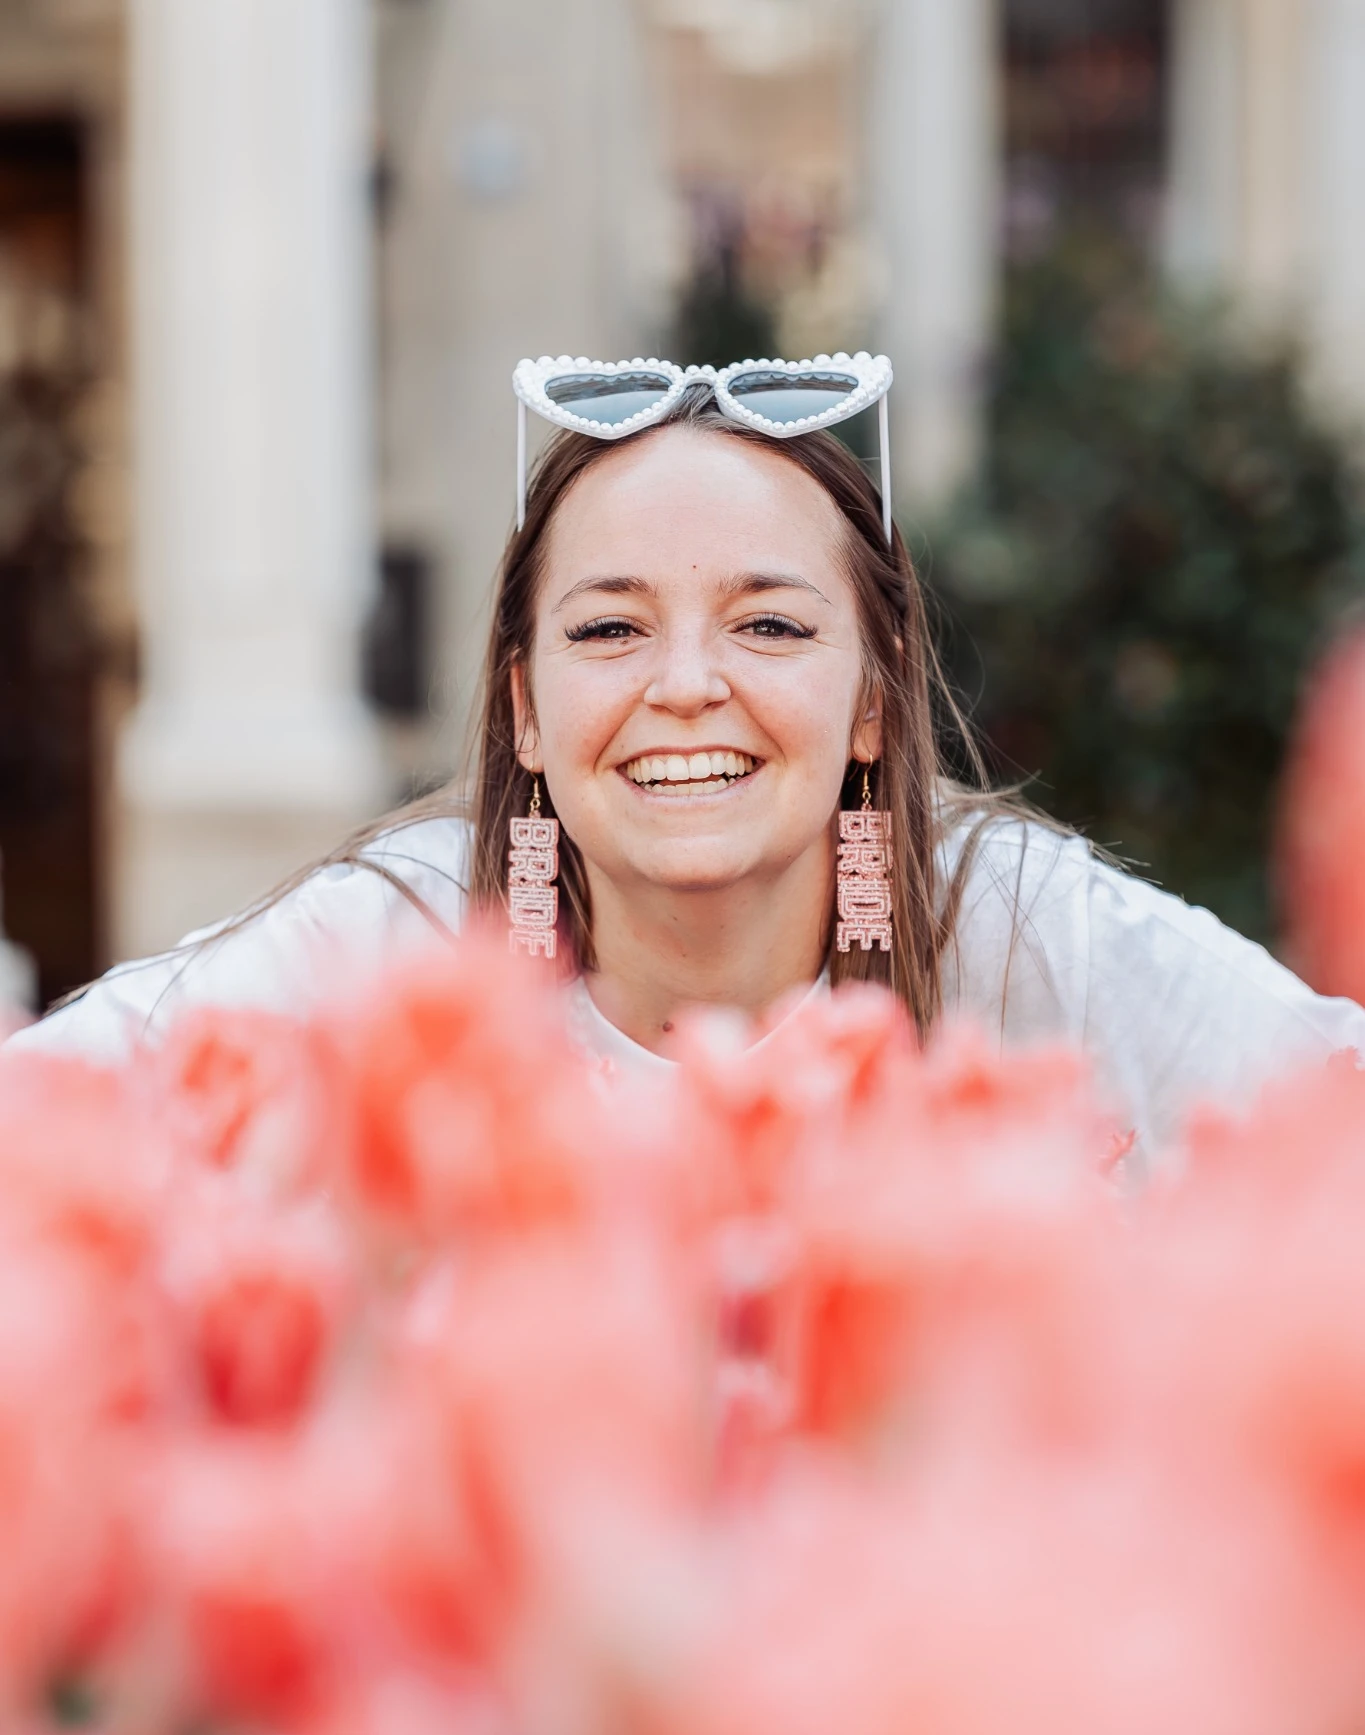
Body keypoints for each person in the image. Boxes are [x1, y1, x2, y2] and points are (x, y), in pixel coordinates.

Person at [12, 366, 1365, 1172]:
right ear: (526, 712)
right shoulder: (407, 941)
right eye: (608, 629)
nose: (684, 687)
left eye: (771, 624)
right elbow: (52, 1121)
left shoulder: (1008, 926)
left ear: (874, 706)